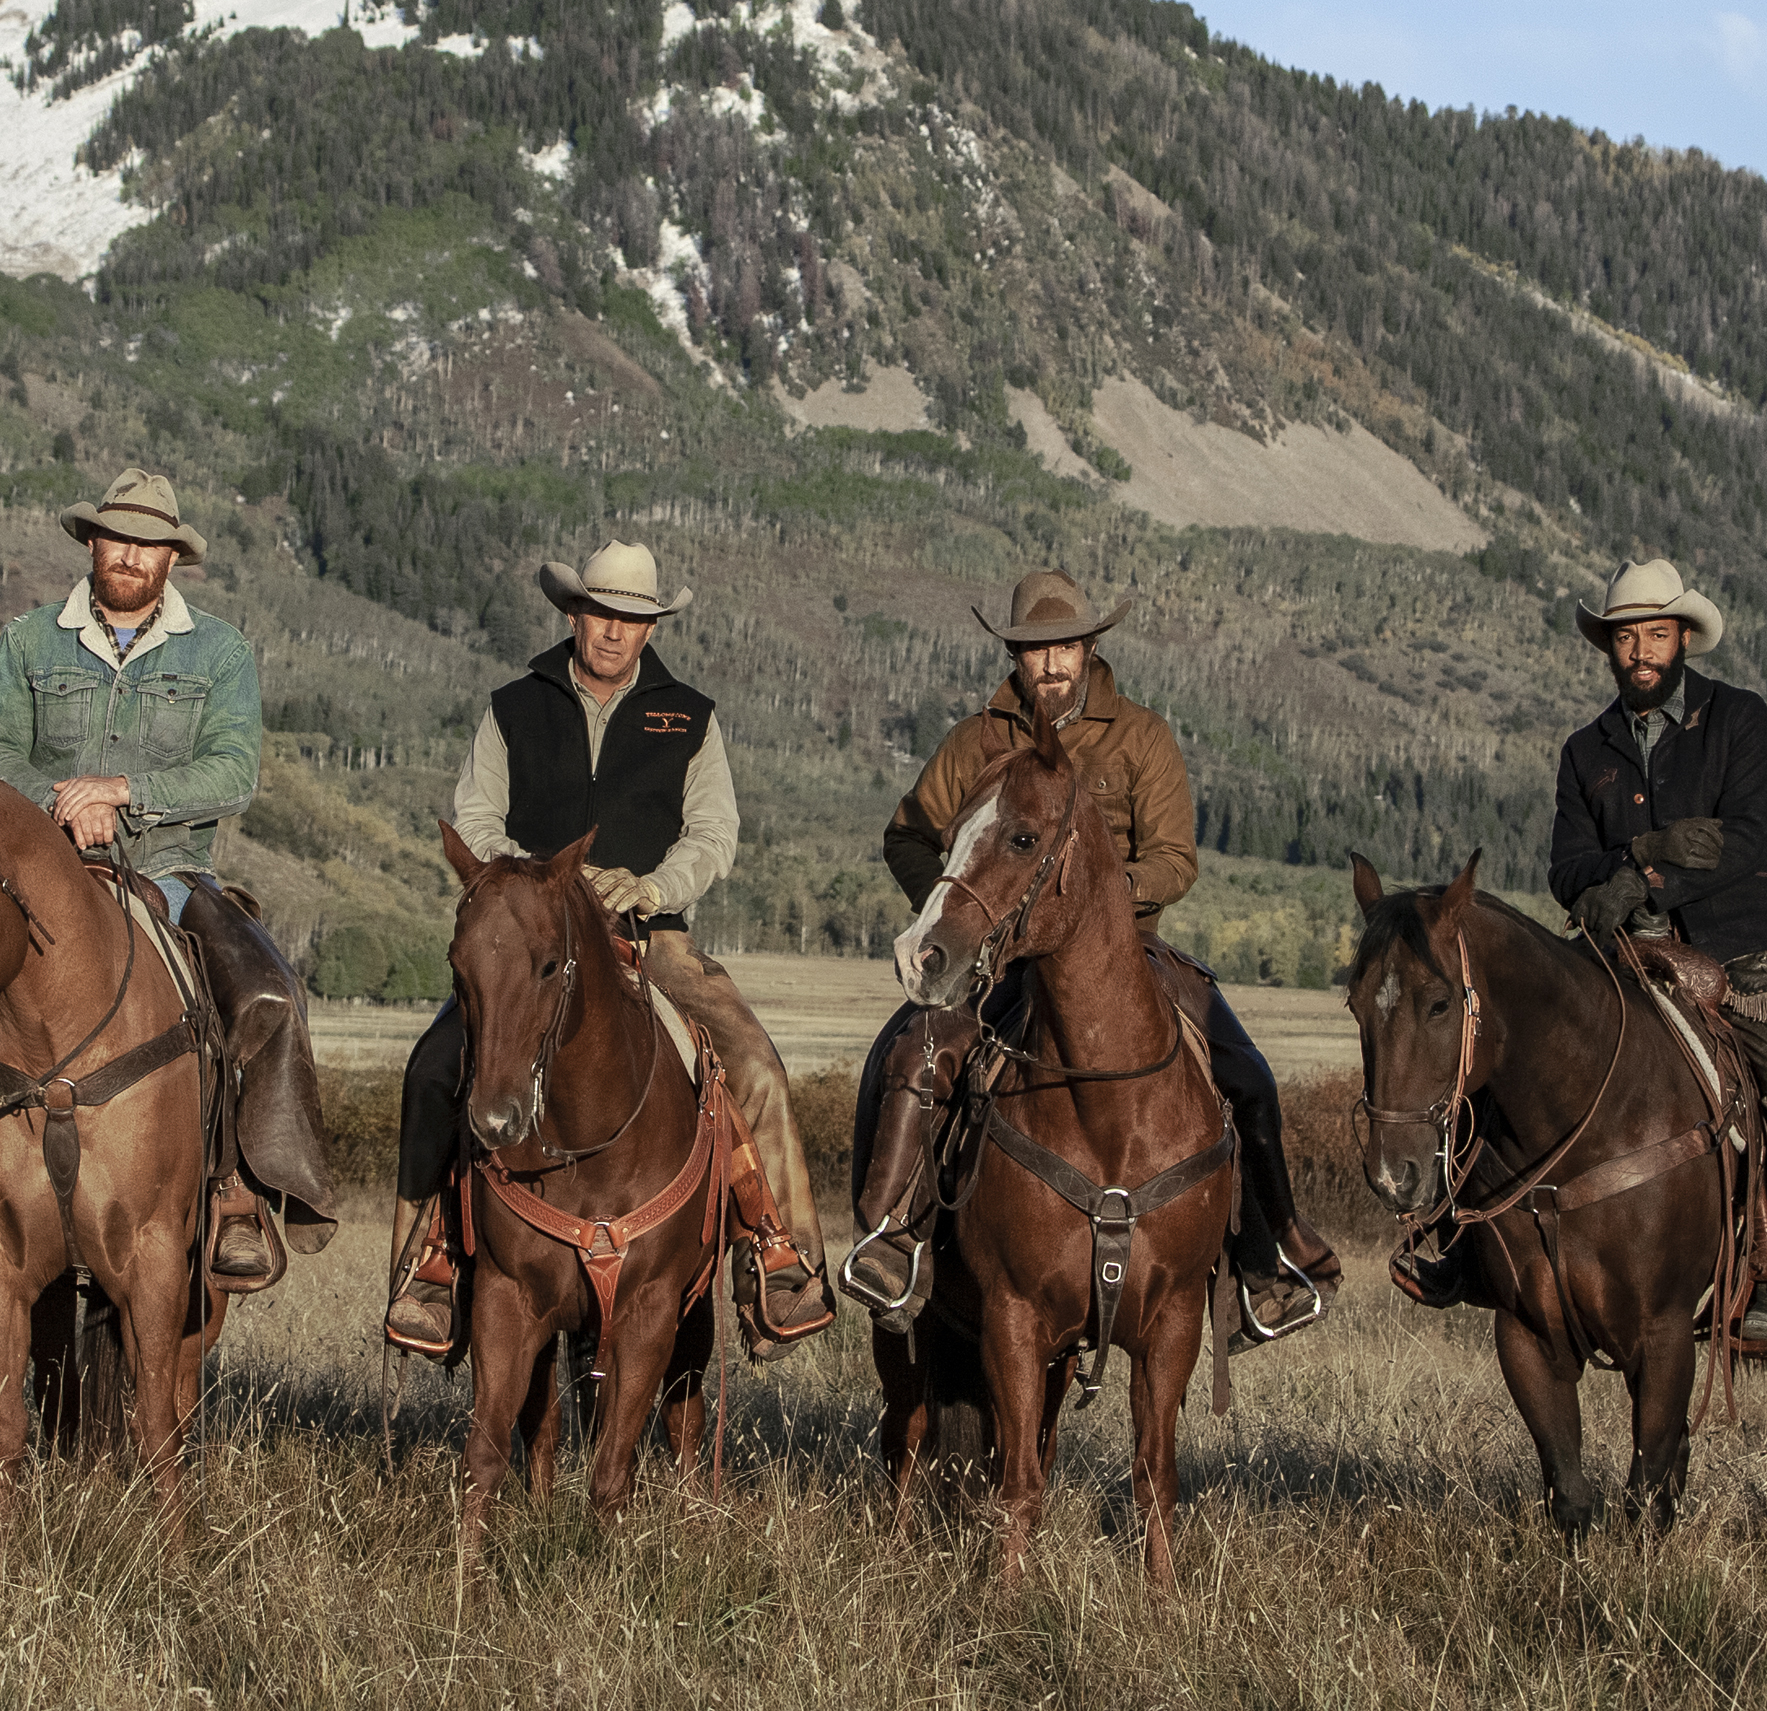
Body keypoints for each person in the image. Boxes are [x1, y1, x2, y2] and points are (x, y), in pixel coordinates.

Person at [840, 569, 1340, 1342]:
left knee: (1246, 1074)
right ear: (1015, 654)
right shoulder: (979, 741)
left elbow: (1176, 858)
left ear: (1090, 645)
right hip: (1001, 954)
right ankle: (895, 1237)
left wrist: (1103, 899)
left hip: (1128, 948)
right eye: (1035, 650)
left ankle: (1270, 1259)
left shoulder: (1140, 735)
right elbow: (907, 835)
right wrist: (955, 915)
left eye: (1065, 645)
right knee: (916, 1051)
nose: (1052, 663)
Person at [385, 541, 836, 1357]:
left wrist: (654, 886)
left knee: (755, 1065)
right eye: (602, 614)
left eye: (633, 619)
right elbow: (475, 814)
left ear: (651, 625)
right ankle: (431, 1266)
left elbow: (715, 832)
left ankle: (779, 1253)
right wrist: (542, 879)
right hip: (530, 941)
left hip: (649, 936)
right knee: (431, 1069)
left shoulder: (689, 715)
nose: (615, 631)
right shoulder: (515, 705)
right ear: (574, 613)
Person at [0, 466, 336, 1283]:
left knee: (268, 995)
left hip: (168, 872)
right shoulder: (27, 640)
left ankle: (238, 1188)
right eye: (117, 537)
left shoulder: (220, 652)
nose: (130, 554)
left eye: (148, 543)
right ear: (92, 541)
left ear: (173, 559)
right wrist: (60, 800)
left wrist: (125, 793)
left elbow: (233, 770)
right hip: (34, 875)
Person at [1515, 556, 1767, 1346]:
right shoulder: (1583, 751)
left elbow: (1745, 839)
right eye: (1627, 638)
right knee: (1508, 1056)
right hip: (1619, 955)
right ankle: (1473, 1241)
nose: (1642, 651)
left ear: (1683, 636)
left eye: (1656, 633)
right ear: (1609, 648)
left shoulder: (1740, 720)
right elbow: (1565, 868)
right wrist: (1648, 855)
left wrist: (1642, 874)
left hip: (1738, 949)